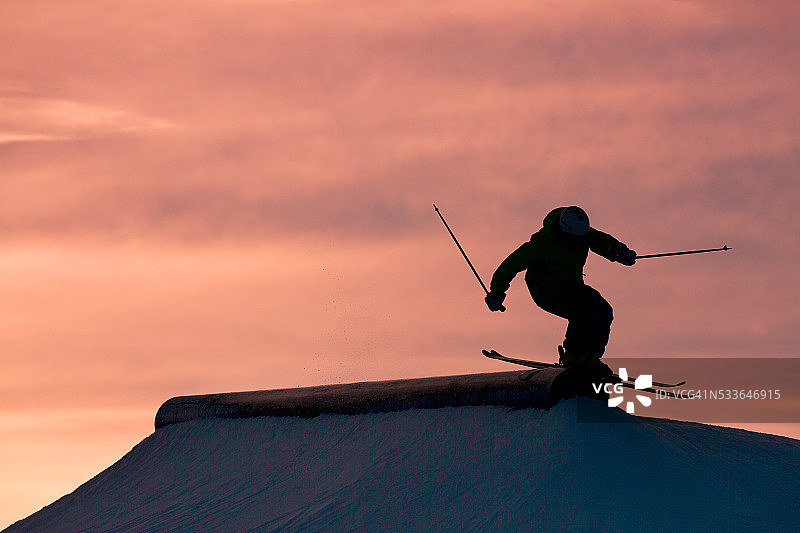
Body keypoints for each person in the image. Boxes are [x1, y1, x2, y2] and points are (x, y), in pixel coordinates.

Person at [484, 206, 636, 376]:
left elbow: (602, 241)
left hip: (571, 286)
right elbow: (510, 266)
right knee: (585, 304)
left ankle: (589, 357)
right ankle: (574, 355)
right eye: (574, 239)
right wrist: (497, 294)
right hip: (546, 290)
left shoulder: (582, 236)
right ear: (564, 232)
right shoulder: (541, 244)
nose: (578, 242)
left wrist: (620, 252)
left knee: (604, 309)